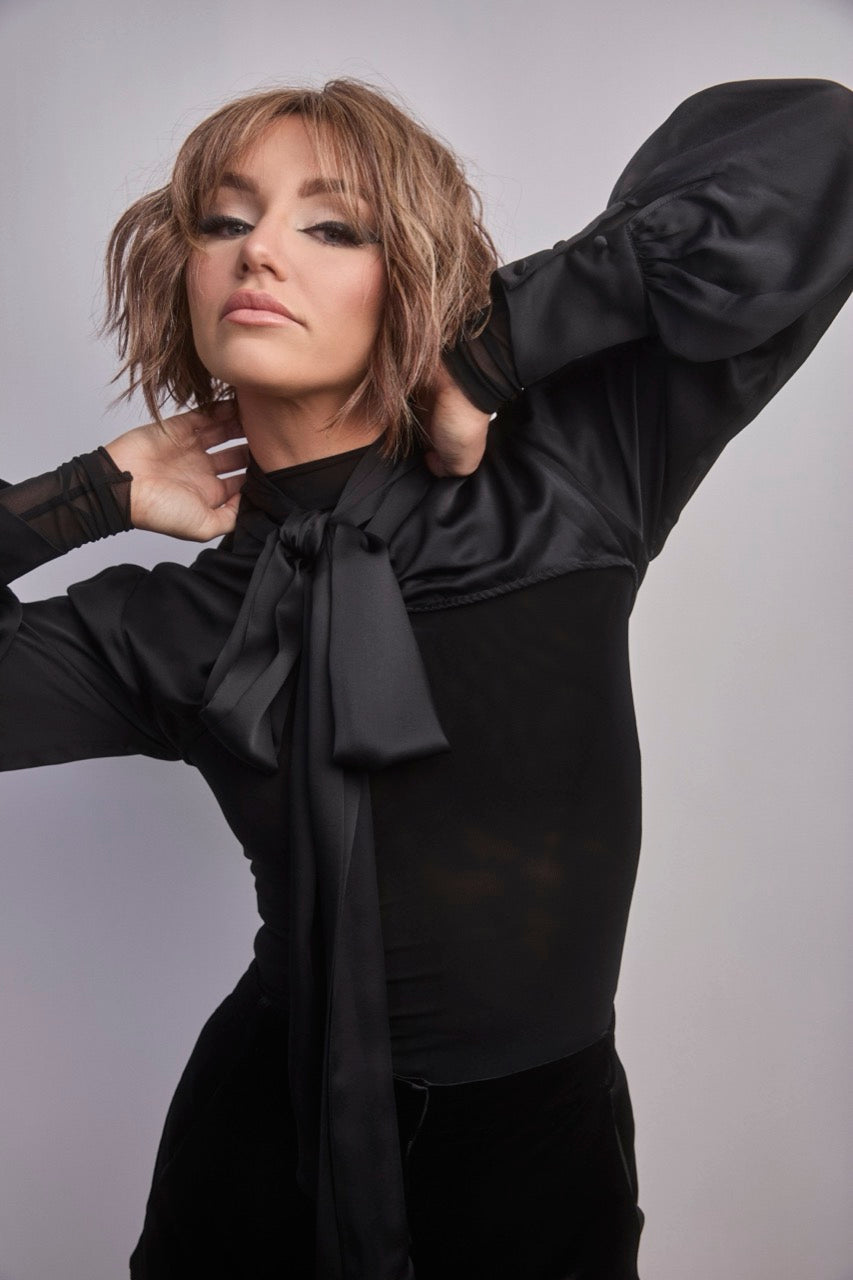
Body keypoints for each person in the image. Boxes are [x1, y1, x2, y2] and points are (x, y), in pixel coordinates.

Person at [1, 73, 851, 1280]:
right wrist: (86, 494)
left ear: (410, 274)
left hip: (540, 1179)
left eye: (331, 225)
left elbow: (820, 145)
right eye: (225, 220)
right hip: (253, 1167)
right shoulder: (172, 622)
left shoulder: (573, 472)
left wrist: (495, 352)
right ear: (179, 274)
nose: (259, 252)